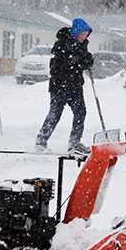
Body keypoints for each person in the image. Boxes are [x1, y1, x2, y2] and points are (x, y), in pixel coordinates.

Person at [35, 18, 94, 154]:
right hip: (59, 86)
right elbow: (60, 66)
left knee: (81, 112)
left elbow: (85, 60)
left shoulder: (82, 45)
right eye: (82, 33)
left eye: (86, 34)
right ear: (76, 32)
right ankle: (41, 141)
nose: (85, 36)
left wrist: (87, 61)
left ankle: (74, 142)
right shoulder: (62, 44)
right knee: (55, 114)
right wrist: (74, 62)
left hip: (75, 86)